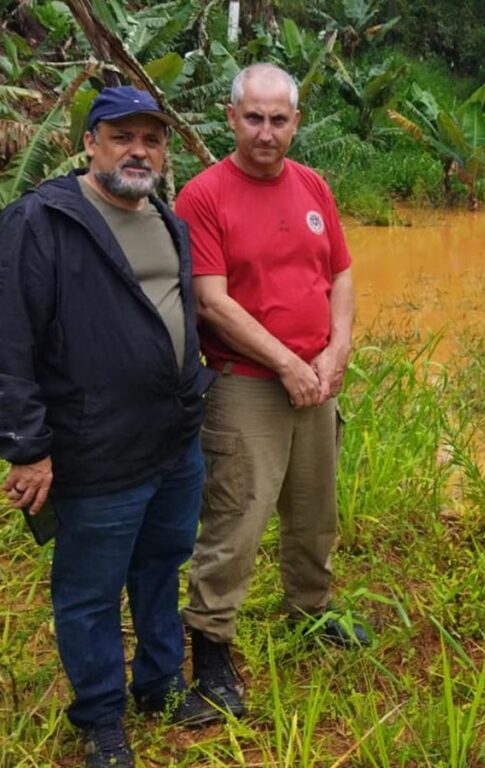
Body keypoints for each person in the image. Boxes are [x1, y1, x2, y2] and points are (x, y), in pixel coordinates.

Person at [0, 86, 220, 768]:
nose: (138, 149)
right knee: (88, 590)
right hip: (95, 445)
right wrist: (26, 449)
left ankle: (160, 685)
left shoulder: (167, 220)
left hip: (173, 439)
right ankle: (101, 718)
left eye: (152, 137)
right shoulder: (43, 221)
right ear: (90, 143)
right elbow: (3, 343)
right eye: (121, 136)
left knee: (161, 566)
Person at [175, 63, 369, 717]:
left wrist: (338, 348)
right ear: (231, 119)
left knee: (315, 515)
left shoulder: (313, 185)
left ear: (295, 123)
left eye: (278, 119)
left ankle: (310, 612)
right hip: (248, 385)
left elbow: (340, 274)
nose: (265, 132)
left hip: (317, 381)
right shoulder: (202, 196)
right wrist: (288, 362)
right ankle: (210, 645)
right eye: (253, 118)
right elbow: (211, 301)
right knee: (236, 520)